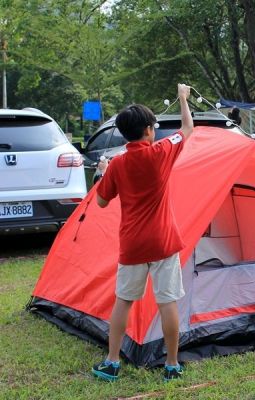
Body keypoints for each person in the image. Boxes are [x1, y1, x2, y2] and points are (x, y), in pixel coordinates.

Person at [91, 84, 194, 382]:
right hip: (163, 242)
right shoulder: (161, 151)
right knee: (167, 302)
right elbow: (188, 128)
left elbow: (100, 201)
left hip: (132, 244)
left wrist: (103, 170)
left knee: (123, 300)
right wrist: (183, 98)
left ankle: (112, 362)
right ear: (149, 130)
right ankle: (172, 365)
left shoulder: (118, 164)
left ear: (124, 134)